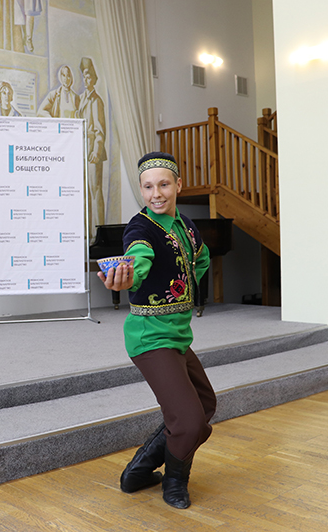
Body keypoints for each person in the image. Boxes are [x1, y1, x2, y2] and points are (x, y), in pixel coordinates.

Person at [98, 152, 216, 510]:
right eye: (148, 187)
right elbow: (138, 256)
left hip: (177, 335)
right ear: (141, 190)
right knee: (190, 422)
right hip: (150, 337)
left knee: (205, 405)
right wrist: (129, 277)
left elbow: (202, 257)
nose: (156, 194)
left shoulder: (187, 226)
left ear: (178, 185)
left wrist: (186, 284)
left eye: (163, 184)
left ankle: (139, 469)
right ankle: (175, 481)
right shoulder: (141, 228)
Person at [77, 57, 106, 238]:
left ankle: (99, 233)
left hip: (93, 151)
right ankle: (87, 234)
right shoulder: (80, 99)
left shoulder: (96, 101)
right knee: (85, 193)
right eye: (84, 76)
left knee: (96, 191)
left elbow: (100, 130)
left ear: (94, 79)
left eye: (89, 77)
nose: (86, 79)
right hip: (81, 151)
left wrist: (96, 150)